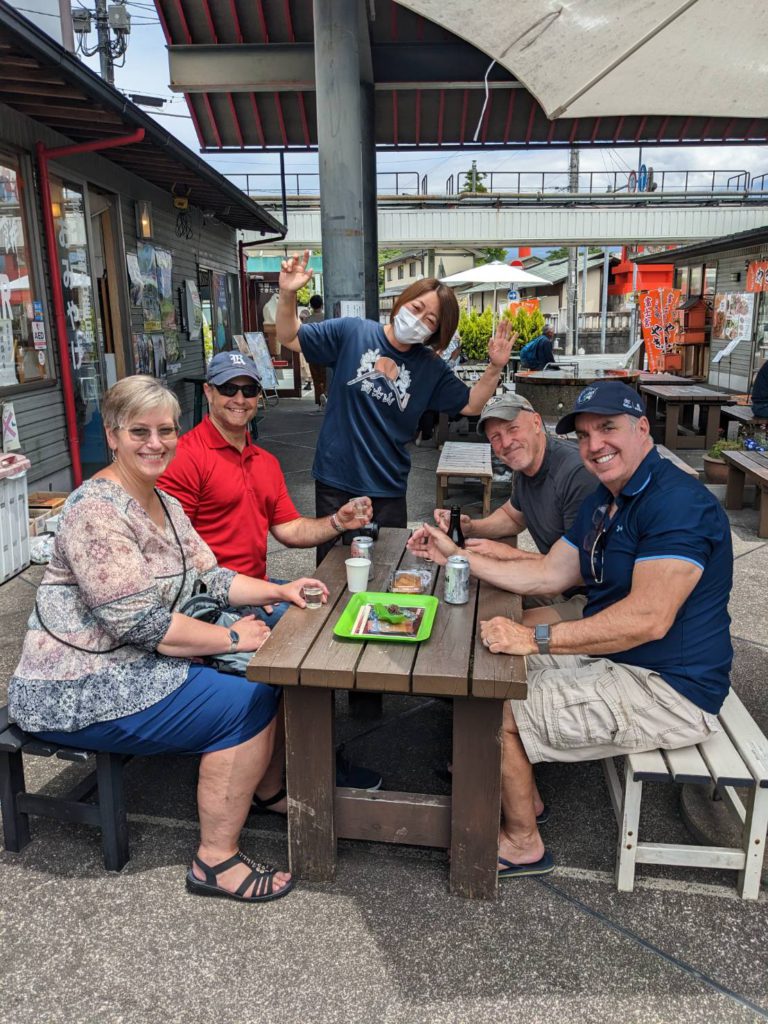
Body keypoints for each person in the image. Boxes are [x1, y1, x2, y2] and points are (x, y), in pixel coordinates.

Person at [8, 375, 329, 904]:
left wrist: (280, 588)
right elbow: (140, 624)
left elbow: (212, 576)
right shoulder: (96, 511)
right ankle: (215, 860)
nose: (155, 443)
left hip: (129, 663)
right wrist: (230, 636)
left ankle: (265, 789)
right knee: (246, 695)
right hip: (75, 684)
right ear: (112, 435)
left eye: (166, 430)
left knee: (276, 643)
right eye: (140, 431)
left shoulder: (160, 501)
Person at [409, 380, 732, 879]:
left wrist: (535, 638)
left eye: (608, 428)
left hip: (670, 689)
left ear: (642, 428)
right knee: (487, 664)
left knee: (492, 704)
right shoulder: (608, 498)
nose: (594, 444)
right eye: (583, 434)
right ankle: (526, 800)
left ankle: (522, 843)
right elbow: (548, 574)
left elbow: (649, 618)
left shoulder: (677, 503)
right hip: (623, 661)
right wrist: (455, 555)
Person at [158, 350, 382, 792]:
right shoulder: (185, 456)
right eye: (228, 388)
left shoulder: (263, 462)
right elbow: (171, 551)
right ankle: (285, 779)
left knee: (330, 627)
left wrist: (339, 521)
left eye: (249, 389)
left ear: (260, 396)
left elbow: (289, 528)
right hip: (206, 599)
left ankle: (306, 754)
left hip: (255, 589)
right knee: (294, 659)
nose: (239, 398)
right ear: (208, 392)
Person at [274, 250, 517, 561]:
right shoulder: (353, 332)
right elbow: (289, 335)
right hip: (336, 480)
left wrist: (495, 368)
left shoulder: (430, 367)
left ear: (436, 332)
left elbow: (470, 404)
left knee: (387, 570)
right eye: (416, 308)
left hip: (387, 487)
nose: (418, 320)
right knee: (333, 570)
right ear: (403, 301)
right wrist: (287, 293)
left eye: (430, 320)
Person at [434, 393, 597, 624]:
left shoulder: (576, 474)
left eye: (513, 429)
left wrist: (508, 555)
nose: (506, 443)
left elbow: (579, 572)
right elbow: (513, 516)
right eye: (496, 437)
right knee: (472, 594)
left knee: (490, 624)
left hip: (593, 600)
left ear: (537, 423)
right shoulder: (526, 466)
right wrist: (470, 527)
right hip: (555, 584)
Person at [300, 295, 327, 407]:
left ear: (311, 306)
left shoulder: (307, 320)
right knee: (326, 377)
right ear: (322, 305)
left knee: (316, 378)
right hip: (326, 353)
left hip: (312, 353)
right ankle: (326, 396)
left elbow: (303, 337)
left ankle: (319, 401)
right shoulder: (327, 318)